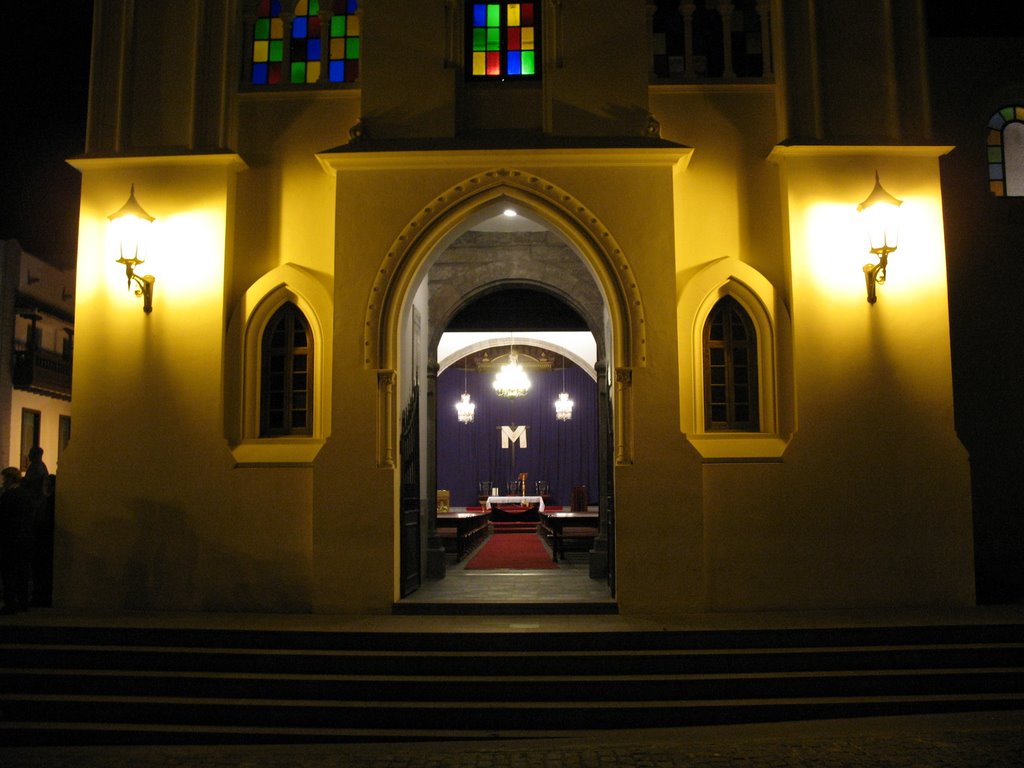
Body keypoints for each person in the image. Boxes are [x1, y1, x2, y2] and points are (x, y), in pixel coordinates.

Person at [0, 466, 34, 613]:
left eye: (4, 479)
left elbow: (4, 518)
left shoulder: (8, 496)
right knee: (22, 571)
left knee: (8, 572)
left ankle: (11, 603)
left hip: (9, 539)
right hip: (24, 539)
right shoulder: (26, 496)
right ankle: (23, 601)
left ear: (9, 479)